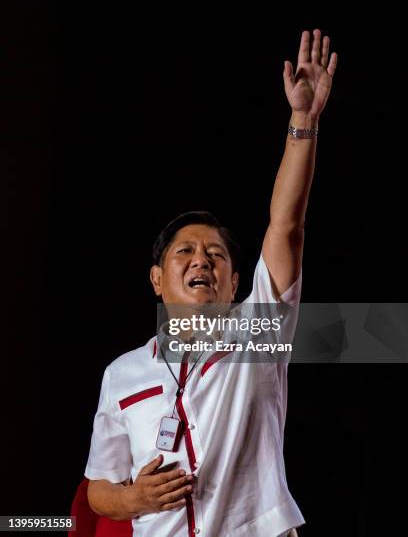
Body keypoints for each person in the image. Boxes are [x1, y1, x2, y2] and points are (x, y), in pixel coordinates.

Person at [84, 29, 337, 536]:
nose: (202, 260)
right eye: (186, 252)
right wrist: (132, 497)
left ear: (235, 281)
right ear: (158, 280)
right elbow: (98, 489)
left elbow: (286, 226)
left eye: (216, 255)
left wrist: (303, 122)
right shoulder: (122, 373)